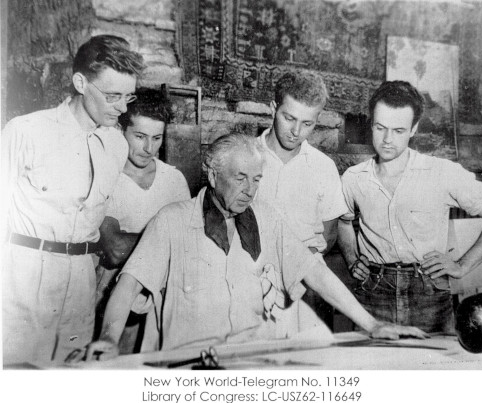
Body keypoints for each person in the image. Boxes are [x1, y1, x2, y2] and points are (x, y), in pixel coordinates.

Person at [73, 133, 426, 362]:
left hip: (253, 362)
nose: (250, 190)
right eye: (240, 178)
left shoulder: (267, 218)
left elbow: (314, 270)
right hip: (190, 365)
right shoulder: (173, 220)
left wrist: (370, 325)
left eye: (257, 179)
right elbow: (130, 283)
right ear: (212, 175)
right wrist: (107, 337)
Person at [1, 35, 144, 365]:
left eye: (128, 96)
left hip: (82, 281)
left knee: (69, 378)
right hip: (24, 278)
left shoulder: (116, 146)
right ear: (81, 82)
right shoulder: (25, 132)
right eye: (112, 96)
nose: (123, 107)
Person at [337, 80, 482, 333]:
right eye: (380, 127)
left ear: (414, 129)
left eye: (399, 130)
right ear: (371, 123)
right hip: (372, 293)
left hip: (429, 295)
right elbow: (344, 221)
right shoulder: (353, 177)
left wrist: (462, 265)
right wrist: (351, 258)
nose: (387, 140)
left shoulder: (442, 173)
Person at [94, 87, 191, 352]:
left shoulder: (173, 179)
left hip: (161, 295)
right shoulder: (107, 177)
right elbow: (113, 249)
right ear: (120, 130)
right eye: (140, 136)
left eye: (157, 138)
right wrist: (166, 241)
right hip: (110, 295)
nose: (149, 148)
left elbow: (189, 245)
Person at [255, 71, 347, 330]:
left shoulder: (323, 167)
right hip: (254, 280)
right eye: (289, 118)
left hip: (310, 287)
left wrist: (301, 264)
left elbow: (329, 235)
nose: (296, 132)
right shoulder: (247, 157)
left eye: (307, 123)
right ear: (273, 108)